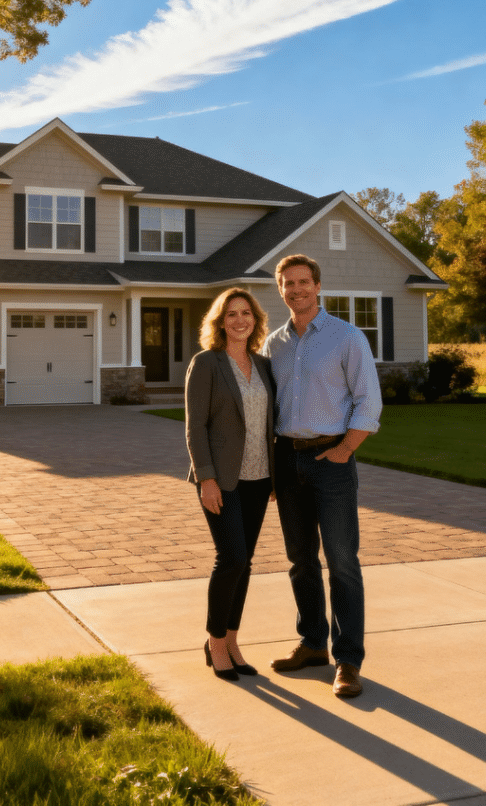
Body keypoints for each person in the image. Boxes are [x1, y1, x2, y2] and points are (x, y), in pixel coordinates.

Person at [265, 254, 382, 699]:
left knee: (342, 562)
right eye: (287, 284)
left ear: (317, 286)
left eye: (303, 282)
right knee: (300, 560)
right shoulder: (274, 344)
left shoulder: (346, 337)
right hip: (287, 461)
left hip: (331, 460)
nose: (296, 290)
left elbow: (367, 401)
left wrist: (344, 450)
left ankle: (348, 659)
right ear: (280, 290)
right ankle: (312, 644)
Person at [185, 287, 275, 681]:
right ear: (220, 322)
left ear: (255, 319)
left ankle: (233, 640)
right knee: (232, 558)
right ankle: (215, 641)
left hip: (259, 477)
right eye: (232, 314)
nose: (240, 320)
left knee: (246, 563)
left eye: (246, 313)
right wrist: (206, 478)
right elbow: (195, 426)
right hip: (221, 479)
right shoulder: (207, 363)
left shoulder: (264, 365)